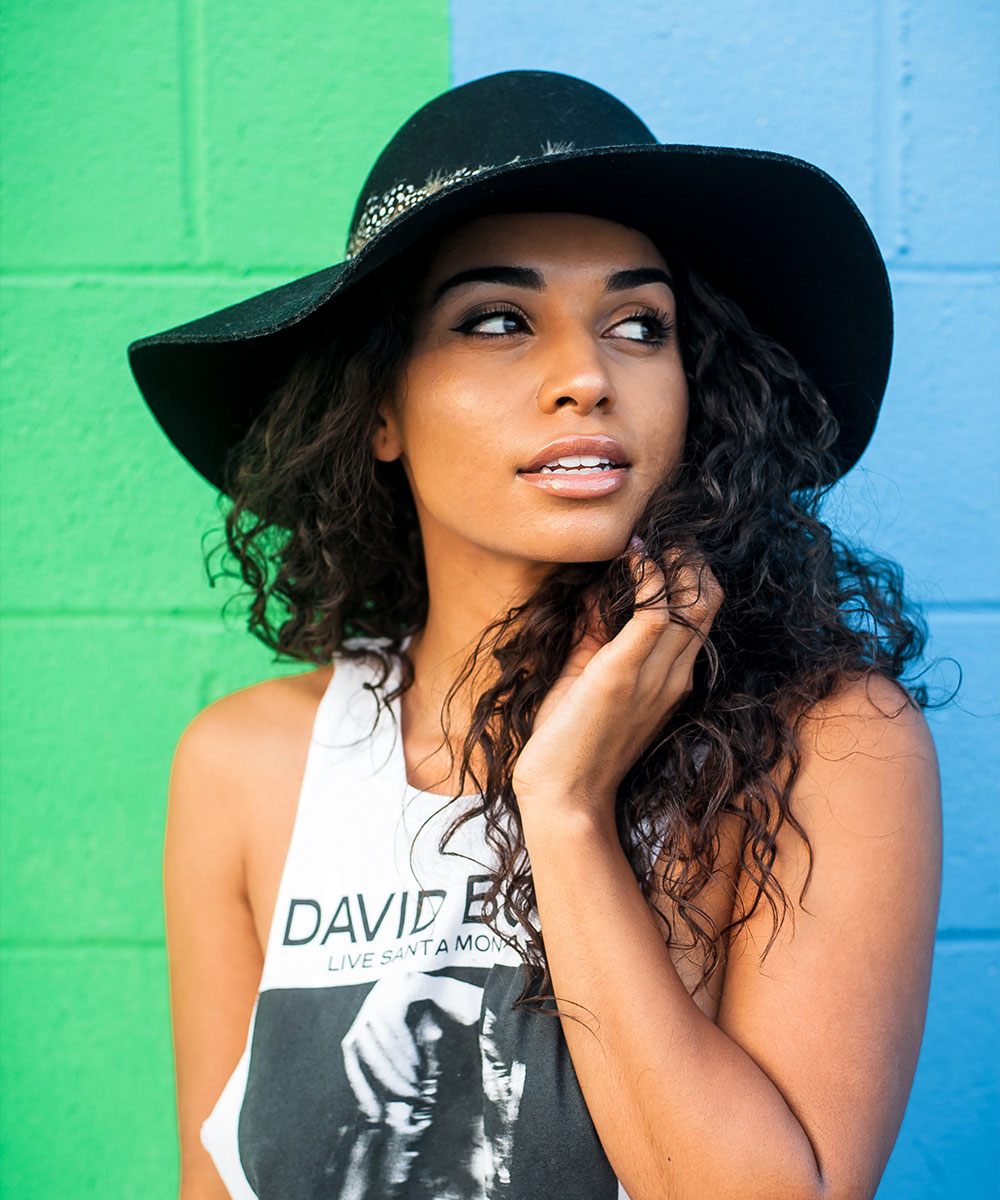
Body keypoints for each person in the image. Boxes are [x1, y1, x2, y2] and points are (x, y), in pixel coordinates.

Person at [129, 71, 941, 1200]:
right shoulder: (248, 767)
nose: (586, 378)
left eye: (638, 325)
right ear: (378, 409)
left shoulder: (823, 746)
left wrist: (562, 807)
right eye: (499, 321)